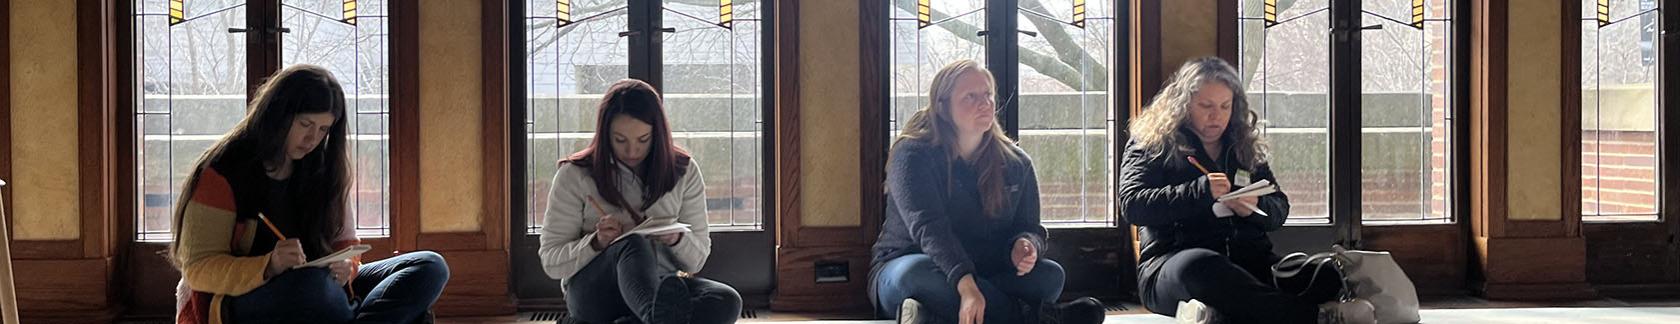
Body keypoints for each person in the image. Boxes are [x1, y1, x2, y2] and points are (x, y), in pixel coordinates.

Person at [171, 64, 450, 324]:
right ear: (278, 114)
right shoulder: (223, 172)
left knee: (429, 267)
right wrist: (268, 265)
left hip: (324, 287)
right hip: (245, 296)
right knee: (314, 289)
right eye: (305, 125)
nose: (313, 139)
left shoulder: (324, 168)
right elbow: (198, 269)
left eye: (323, 129)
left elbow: (346, 247)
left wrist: (347, 267)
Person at [1117, 57, 1374, 324]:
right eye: (1205, 106)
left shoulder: (1242, 144)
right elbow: (1133, 205)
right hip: (1174, 264)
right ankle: (1315, 317)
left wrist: (1255, 207)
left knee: (1327, 274)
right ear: (1182, 105)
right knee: (1202, 267)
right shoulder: (1152, 142)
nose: (1216, 116)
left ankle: (1219, 313)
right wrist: (1200, 191)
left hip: (1249, 263)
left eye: (1225, 106)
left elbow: (1278, 210)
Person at [869, 60, 1105, 324]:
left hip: (987, 269)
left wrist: (1025, 245)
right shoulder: (911, 154)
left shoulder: (1017, 162)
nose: (985, 103)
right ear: (943, 106)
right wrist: (966, 286)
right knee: (913, 275)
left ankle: (934, 315)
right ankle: (1038, 319)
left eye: (988, 95)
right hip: (913, 264)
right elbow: (929, 229)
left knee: (1050, 276)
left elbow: (1030, 227)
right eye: (970, 96)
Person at [538, 79, 742, 324]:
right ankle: (654, 319)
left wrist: (676, 238)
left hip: (662, 286)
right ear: (605, 136)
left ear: (657, 134)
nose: (632, 151)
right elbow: (551, 262)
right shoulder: (574, 174)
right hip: (596, 293)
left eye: (643, 140)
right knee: (632, 244)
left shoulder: (684, 171)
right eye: (620, 140)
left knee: (725, 299)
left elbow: (697, 260)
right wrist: (597, 242)